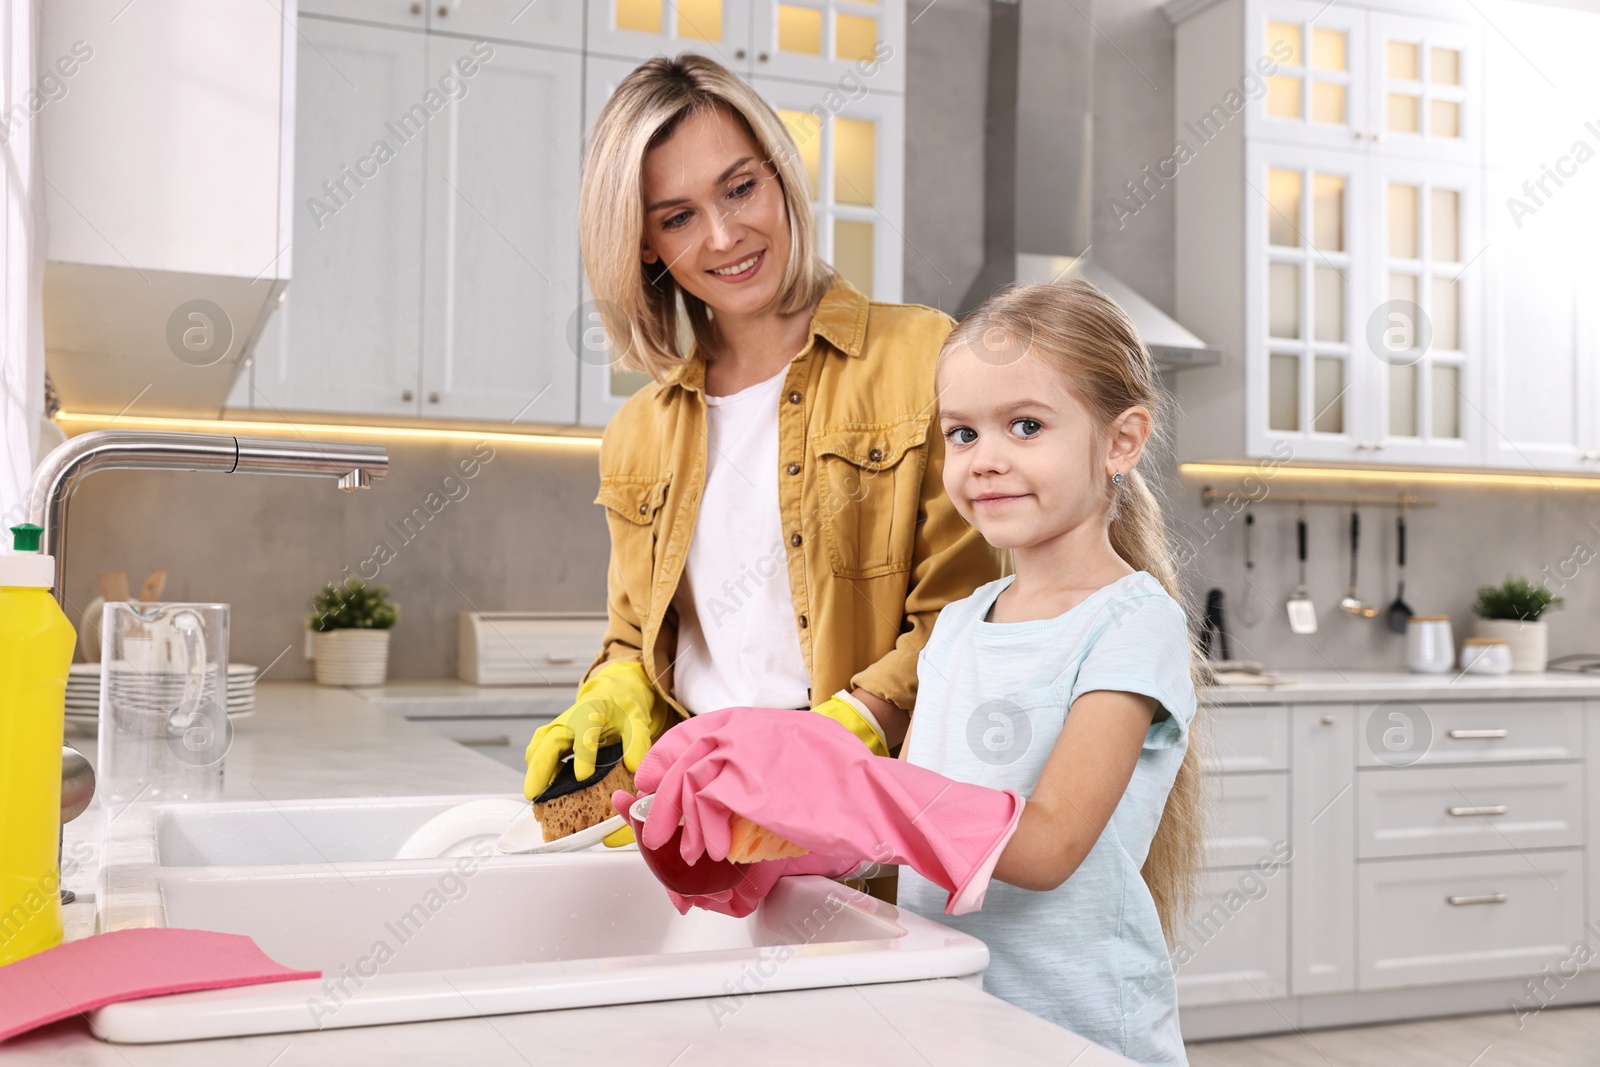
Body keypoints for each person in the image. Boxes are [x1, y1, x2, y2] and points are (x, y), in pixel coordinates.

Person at [617, 276, 1209, 1067]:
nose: (985, 459)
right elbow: (911, 835)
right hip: (952, 1017)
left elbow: (1049, 846)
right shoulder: (960, 623)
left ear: (1121, 441)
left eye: (1025, 425)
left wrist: (851, 784)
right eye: (961, 433)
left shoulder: (1132, 622)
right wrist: (751, 838)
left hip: (1081, 1032)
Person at [523, 53, 1004, 850]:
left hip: (861, 809)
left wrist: (853, 727)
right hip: (695, 813)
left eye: (740, 187)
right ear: (643, 243)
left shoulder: (922, 357)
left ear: (780, 178)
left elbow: (969, 612)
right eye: (676, 216)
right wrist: (615, 688)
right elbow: (637, 633)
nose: (724, 234)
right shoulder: (639, 431)